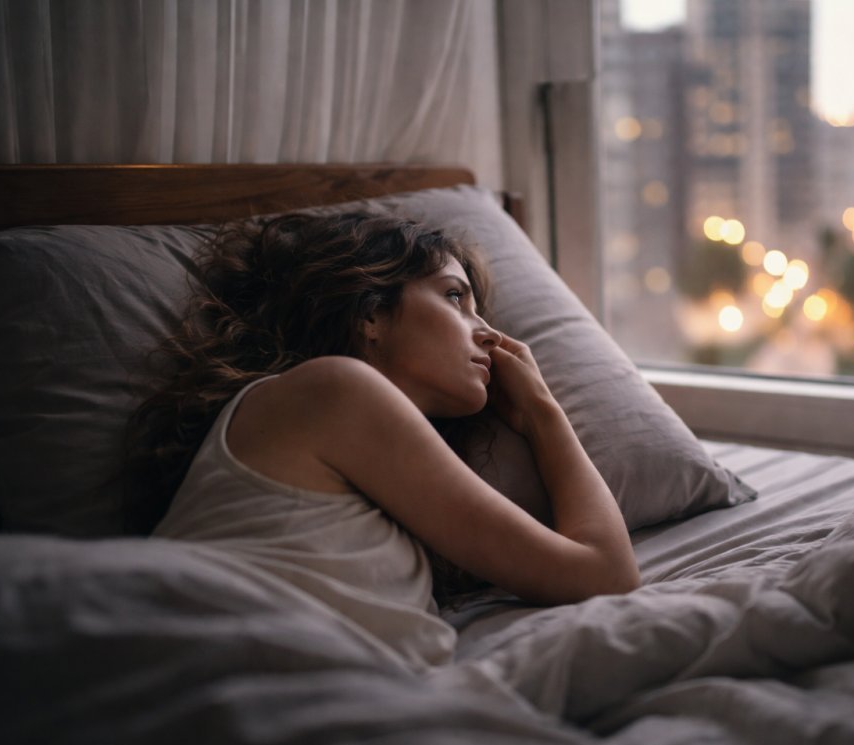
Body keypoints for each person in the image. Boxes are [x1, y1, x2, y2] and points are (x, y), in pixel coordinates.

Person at [125, 211, 639, 666]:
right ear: (370, 313)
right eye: (455, 297)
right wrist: (541, 410)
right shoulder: (333, 391)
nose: (489, 334)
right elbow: (605, 575)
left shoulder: (357, 437)